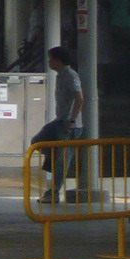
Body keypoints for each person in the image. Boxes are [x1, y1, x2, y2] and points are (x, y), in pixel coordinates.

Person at [31, 45, 84, 203]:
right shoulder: (60, 75)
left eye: (51, 59)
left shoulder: (70, 75)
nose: (49, 62)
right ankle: (52, 156)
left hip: (69, 125)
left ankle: (53, 193)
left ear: (58, 60)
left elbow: (79, 98)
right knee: (37, 141)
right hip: (60, 120)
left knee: (62, 161)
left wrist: (72, 120)